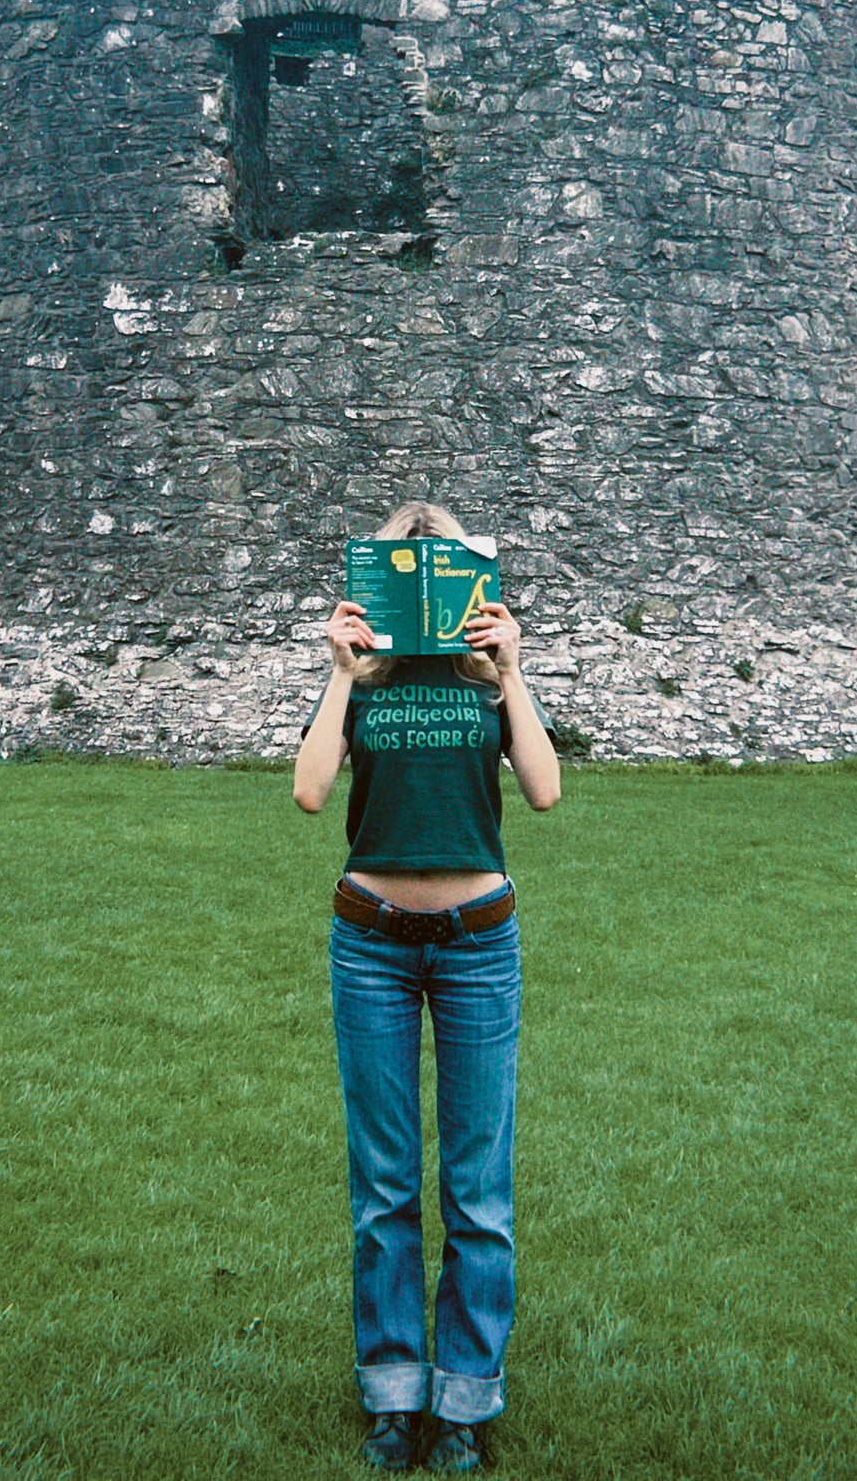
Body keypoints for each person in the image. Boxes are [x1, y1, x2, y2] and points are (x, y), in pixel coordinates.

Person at [295, 500, 561, 1473]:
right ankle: (393, 1393)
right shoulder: (364, 678)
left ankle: (464, 1401)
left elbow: (544, 789)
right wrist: (338, 672)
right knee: (385, 1185)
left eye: (434, 564)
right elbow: (309, 791)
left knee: (478, 1188)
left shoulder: (481, 678)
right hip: (369, 940)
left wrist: (512, 671)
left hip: (477, 943)